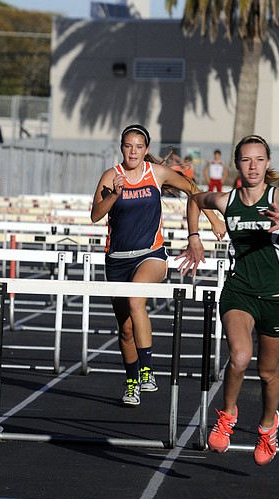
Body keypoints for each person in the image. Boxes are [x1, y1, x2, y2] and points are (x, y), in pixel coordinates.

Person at [176, 134, 279, 465]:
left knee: (267, 372)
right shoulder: (225, 200)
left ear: (268, 163)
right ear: (237, 164)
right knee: (240, 356)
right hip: (240, 291)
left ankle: (267, 424)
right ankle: (228, 415)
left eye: (259, 159)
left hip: (275, 297)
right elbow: (194, 199)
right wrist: (195, 237)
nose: (253, 166)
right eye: (246, 159)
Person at [90, 124, 225, 407]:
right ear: (121, 148)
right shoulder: (110, 176)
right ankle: (132, 382)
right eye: (128, 146)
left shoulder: (157, 174)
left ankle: (148, 370)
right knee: (125, 329)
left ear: (146, 150)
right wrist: (113, 195)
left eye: (139, 147)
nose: (133, 152)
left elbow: (192, 190)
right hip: (116, 260)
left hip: (151, 255)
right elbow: (95, 215)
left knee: (136, 300)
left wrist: (211, 221)